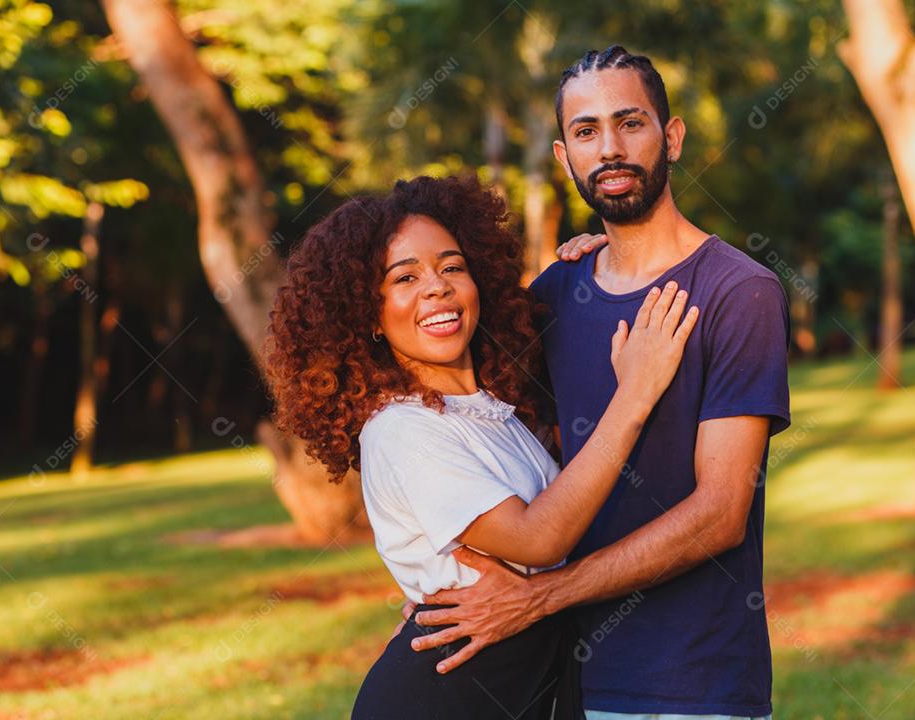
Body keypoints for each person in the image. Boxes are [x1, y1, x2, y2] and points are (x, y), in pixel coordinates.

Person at [408, 46, 791, 720]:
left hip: (693, 686)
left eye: (630, 123)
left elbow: (721, 514)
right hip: (561, 679)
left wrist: (542, 596)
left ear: (672, 137)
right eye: (586, 132)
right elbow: (506, 450)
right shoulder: (553, 295)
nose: (609, 148)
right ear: (565, 158)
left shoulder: (738, 292)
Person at [264, 173, 699, 719]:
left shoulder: (493, 413)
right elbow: (538, 538)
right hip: (447, 697)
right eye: (405, 277)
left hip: (525, 683)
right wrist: (635, 394)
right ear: (368, 316)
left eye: (452, 267)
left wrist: (601, 257)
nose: (437, 288)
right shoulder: (401, 428)